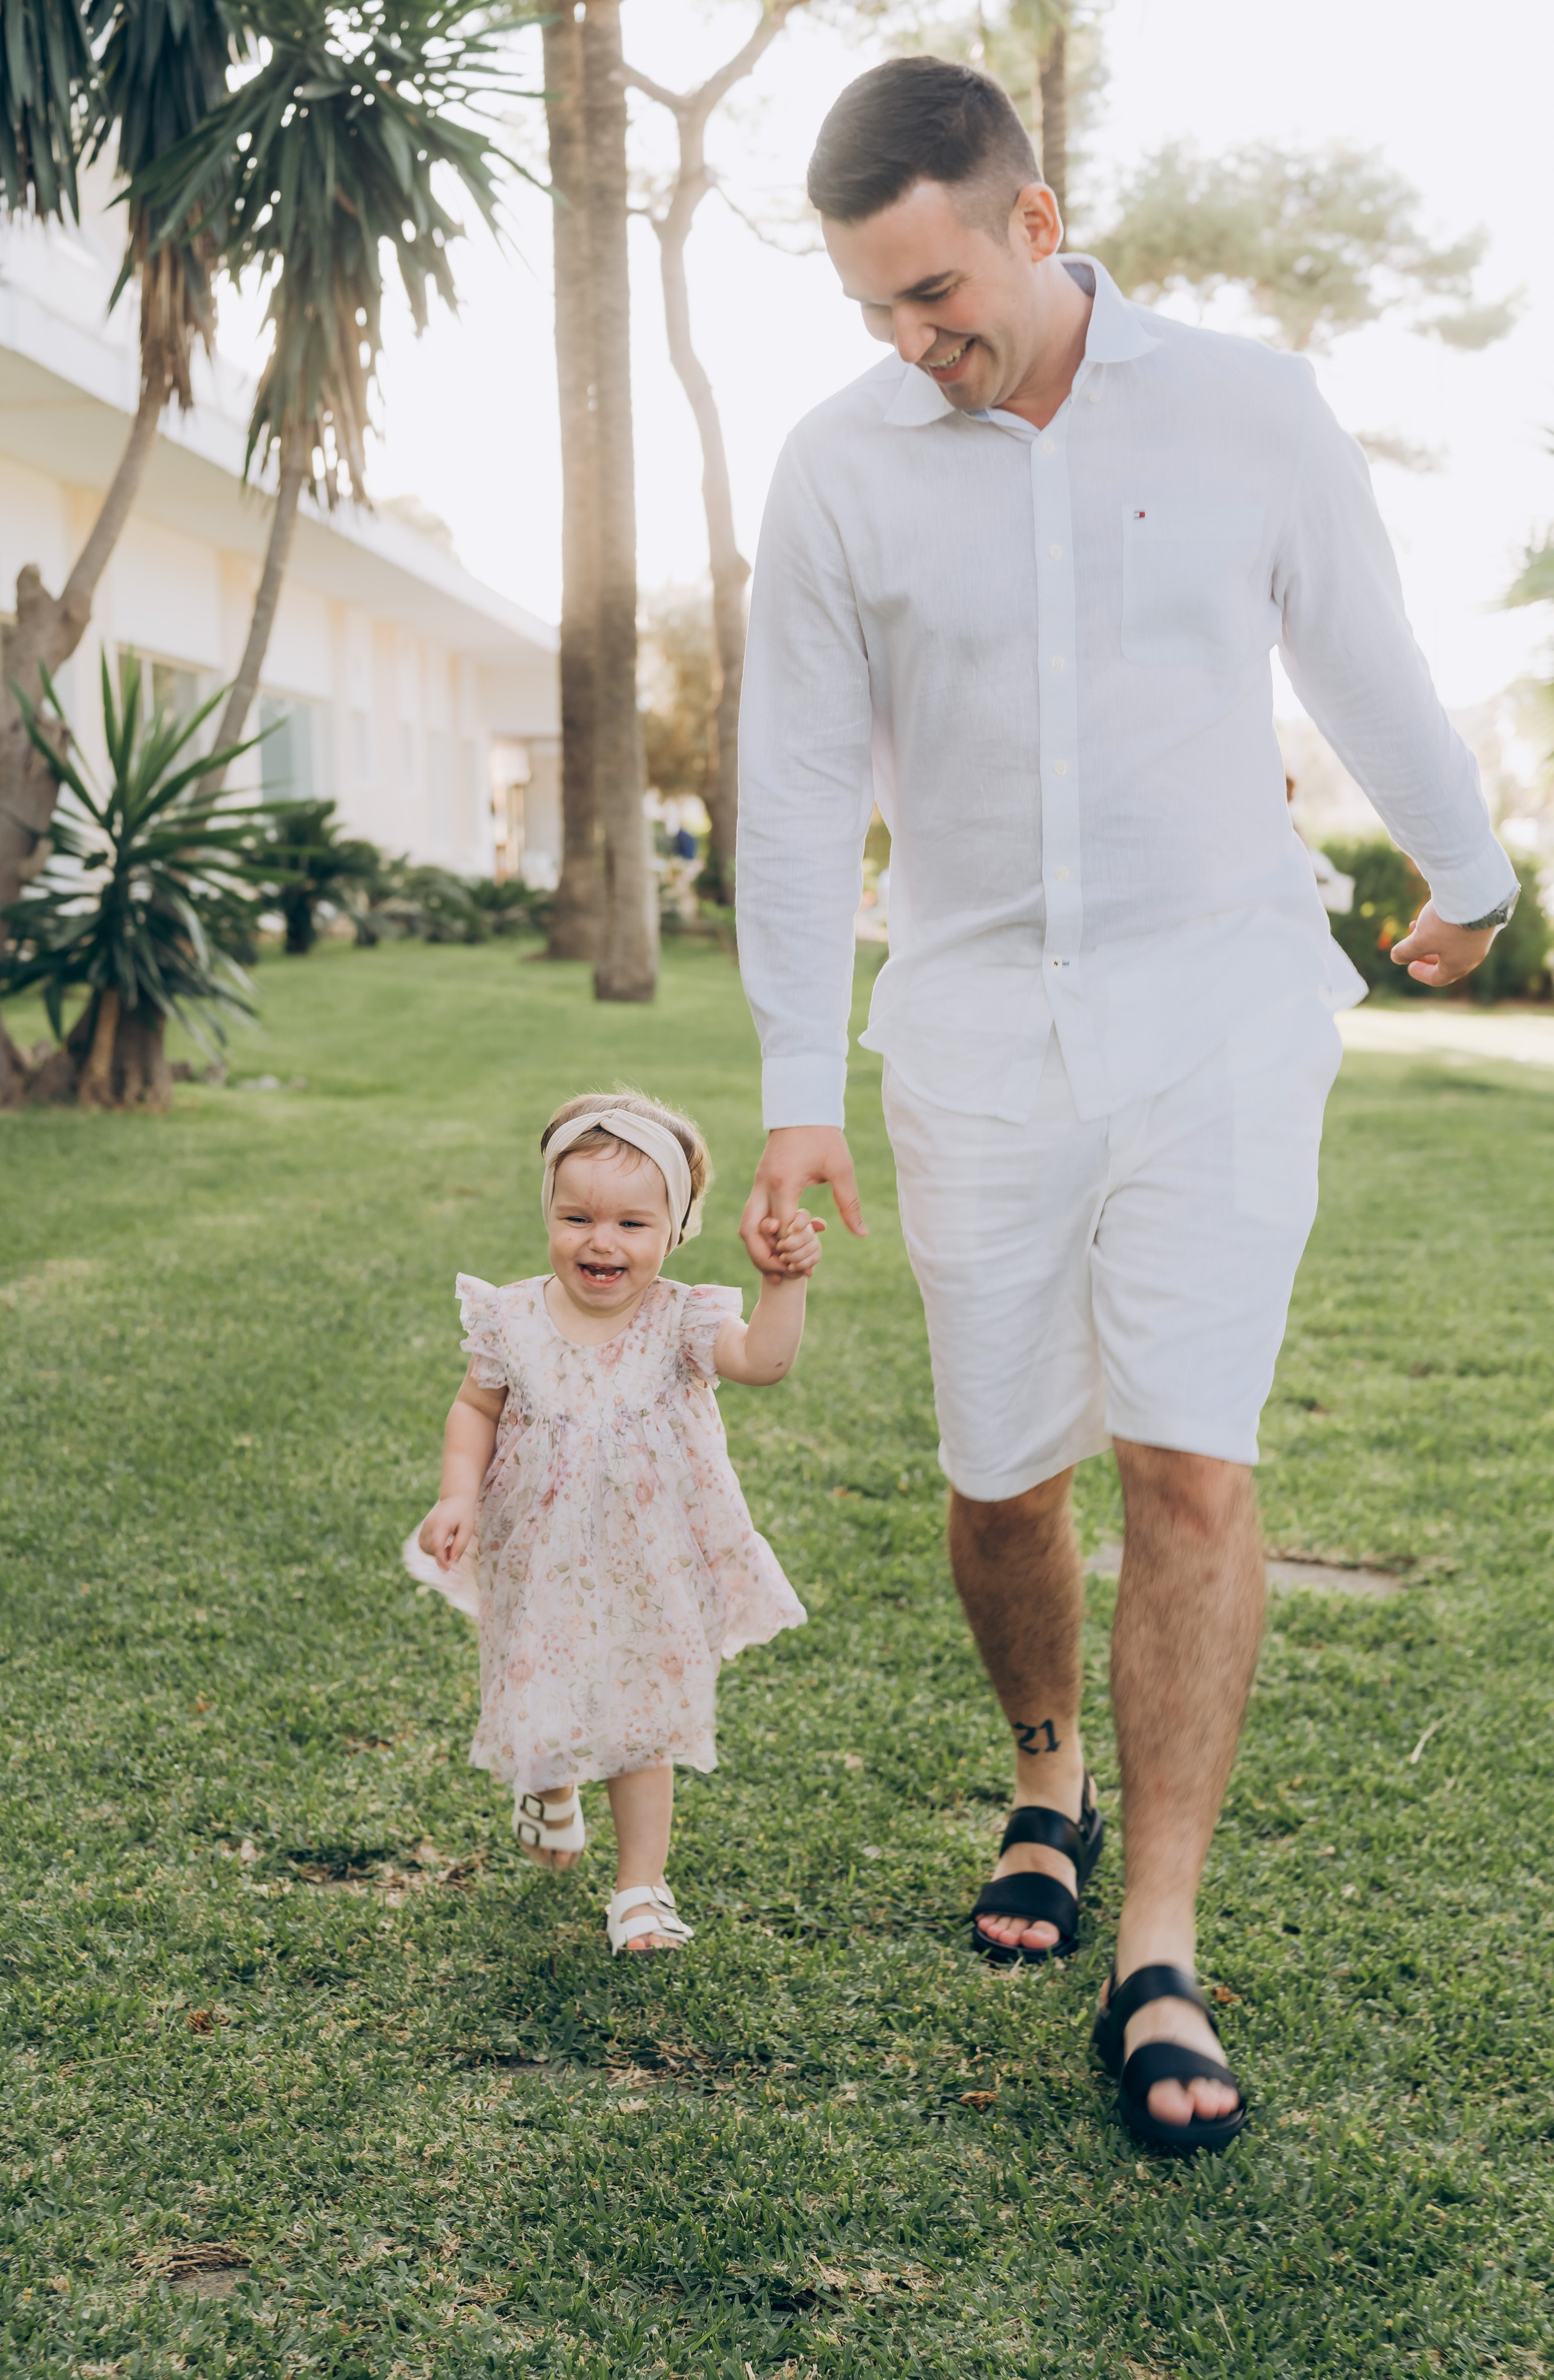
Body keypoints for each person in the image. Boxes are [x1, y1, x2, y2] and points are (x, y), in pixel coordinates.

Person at [735, 58, 1516, 2151]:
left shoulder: (1251, 409)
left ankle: (1158, 1941)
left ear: (1037, 212)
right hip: (976, 1025)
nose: (917, 341)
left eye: (935, 290)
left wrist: (1473, 875)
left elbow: (1363, 650)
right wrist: (800, 1085)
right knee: (1003, 1482)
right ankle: (1045, 1777)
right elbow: (800, 789)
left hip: (1224, 1009)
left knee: (1188, 1463)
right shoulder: (840, 467)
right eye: (876, 309)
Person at [407, 1092, 817, 1954]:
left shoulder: (682, 1320)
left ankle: (641, 1885)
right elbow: (473, 1411)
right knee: (544, 1682)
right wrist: (455, 1495)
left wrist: (784, 1286)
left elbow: (764, 1364)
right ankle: (549, 1783)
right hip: (540, 1550)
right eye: (577, 1216)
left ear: (674, 1231)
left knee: (641, 1713)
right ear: (548, 1214)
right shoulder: (511, 1319)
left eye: (633, 1222)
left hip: (649, 1560)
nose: (602, 1241)